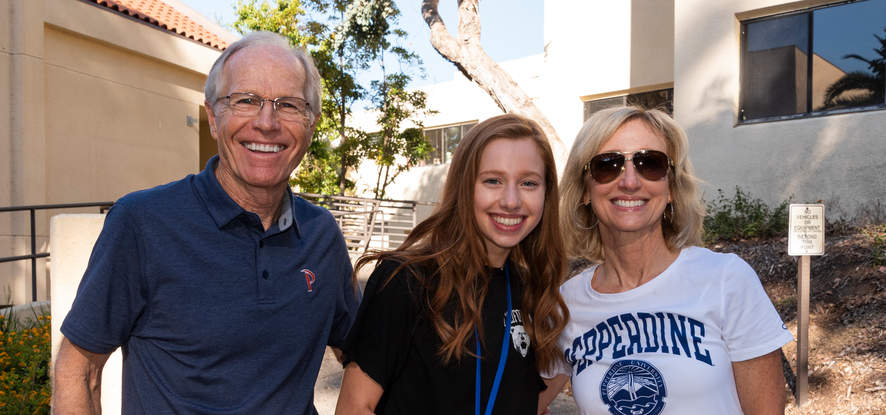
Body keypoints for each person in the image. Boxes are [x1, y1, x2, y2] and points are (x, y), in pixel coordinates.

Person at [53, 31, 359, 414]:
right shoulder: (143, 223)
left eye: (289, 105)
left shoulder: (321, 235)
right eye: (246, 101)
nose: (267, 122)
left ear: (311, 124)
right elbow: (78, 371)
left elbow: (363, 355)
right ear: (213, 118)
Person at [539, 106, 793, 415]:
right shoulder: (567, 303)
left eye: (651, 164)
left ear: (671, 187)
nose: (630, 181)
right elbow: (520, 401)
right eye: (608, 165)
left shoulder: (725, 279)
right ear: (585, 191)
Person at [334, 114, 569, 415]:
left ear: (546, 194)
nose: (511, 200)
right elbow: (355, 407)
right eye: (493, 181)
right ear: (464, 188)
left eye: (528, 183)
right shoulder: (406, 280)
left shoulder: (530, 290)